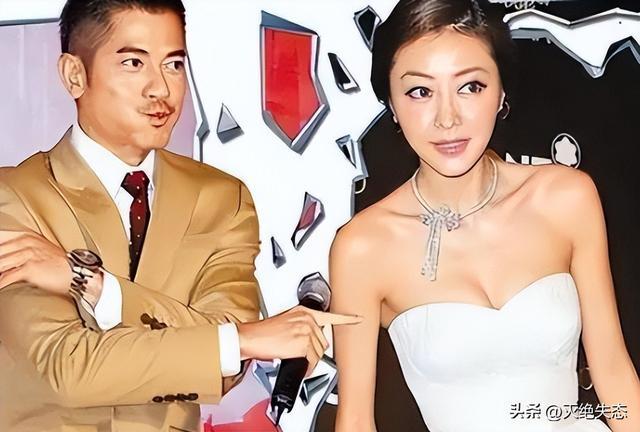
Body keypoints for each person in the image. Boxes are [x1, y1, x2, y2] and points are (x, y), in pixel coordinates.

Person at [0, 1, 360, 431]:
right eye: (134, 63)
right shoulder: (14, 196)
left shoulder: (221, 198)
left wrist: (93, 286)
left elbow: (226, 369)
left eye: (173, 64)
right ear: (75, 74)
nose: (161, 89)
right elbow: (69, 368)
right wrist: (239, 340)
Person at [329, 1, 640, 431]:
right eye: (420, 91)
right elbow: (355, 421)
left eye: (470, 86)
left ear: (501, 92)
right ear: (392, 105)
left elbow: (613, 374)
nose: (447, 118)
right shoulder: (362, 248)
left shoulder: (565, 197)